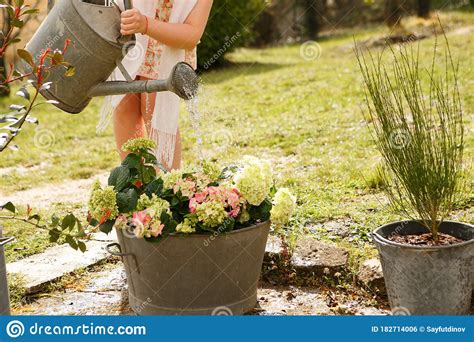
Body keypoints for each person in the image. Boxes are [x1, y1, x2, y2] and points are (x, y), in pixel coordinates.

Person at [98, 0, 213, 170]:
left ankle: (168, 186)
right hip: (131, 37)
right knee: (124, 104)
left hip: (167, 39)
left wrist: (145, 23)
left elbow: (192, 35)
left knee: (154, 109)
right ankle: (134, 183)